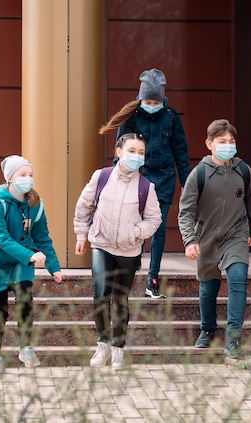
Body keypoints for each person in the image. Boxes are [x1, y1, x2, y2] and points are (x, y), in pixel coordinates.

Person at [98, 68, 190, 299]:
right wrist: (115, 177)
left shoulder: (171, 117)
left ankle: (153, 278)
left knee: (158, 230)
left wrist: (187, 184)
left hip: (165, 178)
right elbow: (120, 150)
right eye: (147, 100)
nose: (151, 104)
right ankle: (131, 265)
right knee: (134, 225)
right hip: (138, 178)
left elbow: (181, 152)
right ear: (140, 98)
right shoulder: (132, 116)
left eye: (155, 101)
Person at [74, 133, 162, 369]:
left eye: (141, 152)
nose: (137, 156)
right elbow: (83, 206)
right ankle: (102, 344)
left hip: (128, 250)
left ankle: (118, 348)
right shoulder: (101, 177)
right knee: (101, 294)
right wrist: (81, 235)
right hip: (101, 244)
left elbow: (154, 219)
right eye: (132, 150)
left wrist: (136, 232)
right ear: (119, 152)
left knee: (120, 298)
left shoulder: (146, 186)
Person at [178, 119, 251, 359]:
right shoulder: (199, 174)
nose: (228, 146)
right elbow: (186, 211)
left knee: (238, 278)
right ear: (209, 144)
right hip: (206, 237)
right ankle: (207, 329)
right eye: (222, 142)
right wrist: (190, 239)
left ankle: (233, 338)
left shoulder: (243, 171)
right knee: (208, 287)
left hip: (235, 234)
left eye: (231, 142)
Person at [0, 155, 64, 374]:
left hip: (22, 262)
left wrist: (54, 267)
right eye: (22, 175)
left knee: (25, 302)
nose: (28, 179)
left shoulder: (35, 205)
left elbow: (42, 238)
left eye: (30, 175)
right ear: (10, 178)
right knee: (0, 313)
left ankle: (25, 348)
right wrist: (29, 255)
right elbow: (1, 236)